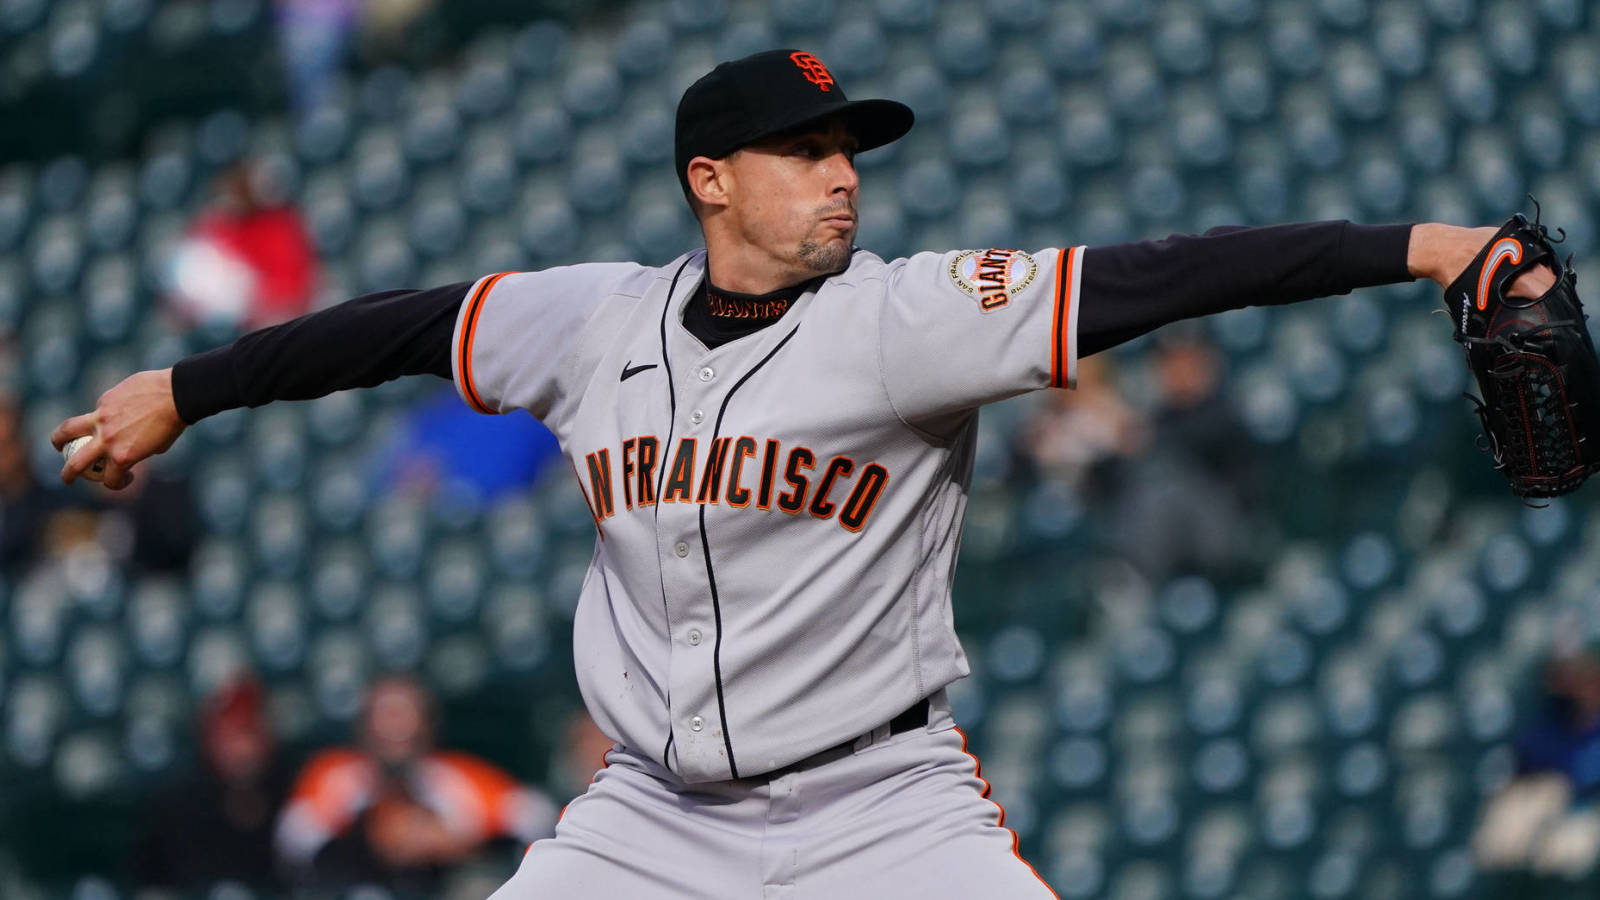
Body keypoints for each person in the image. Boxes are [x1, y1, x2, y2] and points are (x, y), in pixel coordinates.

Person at [56, 49, 1555, 898]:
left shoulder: (905, 317)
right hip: (648, 820)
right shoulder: (589, 321)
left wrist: (1424, 248)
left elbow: (1173, 272)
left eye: (850, 150)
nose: (843, 174)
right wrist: (185, 389)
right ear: (710, 181)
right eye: (804, 151)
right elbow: (392, 329)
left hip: (882, 807)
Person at [273, 675, 557, 893]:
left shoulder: (456, 777)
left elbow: (538, 819)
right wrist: (371, 838)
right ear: (363, 726)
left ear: (428, 726)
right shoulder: (335, 776)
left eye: (406, 711)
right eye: (386, 712)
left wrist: (461, 842)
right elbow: (293, 841)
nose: (396, 724)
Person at [132, 676, 290, 891]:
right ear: (208, 739)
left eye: (246, 732)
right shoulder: (178, 806)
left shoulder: (295, 792)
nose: (239, 748)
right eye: (227, 735)